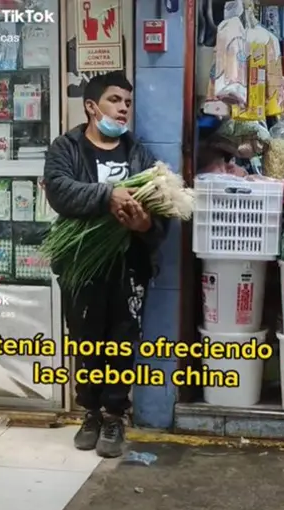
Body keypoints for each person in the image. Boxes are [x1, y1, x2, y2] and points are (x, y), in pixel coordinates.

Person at [43, 71, 167, 458]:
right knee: (86, 340)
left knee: (122, 342)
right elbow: (60, 190)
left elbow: (159, 215)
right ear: (92, 107)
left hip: (129, 266)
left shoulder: (140, 154)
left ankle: (114, 417)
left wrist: (145, 224)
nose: (124, 109)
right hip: (82, 265)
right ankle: (90, 413)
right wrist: (107, 195)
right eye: (115, 100)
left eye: (128, 103)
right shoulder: (66, 147)